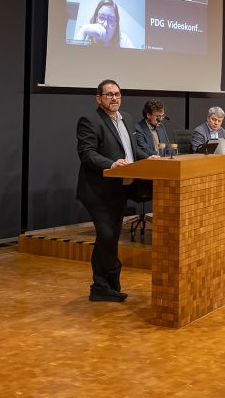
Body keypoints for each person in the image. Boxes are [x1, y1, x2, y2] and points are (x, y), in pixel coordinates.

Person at [76, 79, 152, 302]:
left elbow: (133, 149)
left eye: (117, 94)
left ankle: (103, 286)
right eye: (108, 95)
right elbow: (87, 153)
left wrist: (149, 158)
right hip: (98, 190)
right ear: (99, 98)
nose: (114, 98)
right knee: (107, 236)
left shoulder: (126, 118)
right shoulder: (89, 120)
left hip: (120, 189)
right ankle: (103, 285)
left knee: (109, 238)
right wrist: (111, 163)